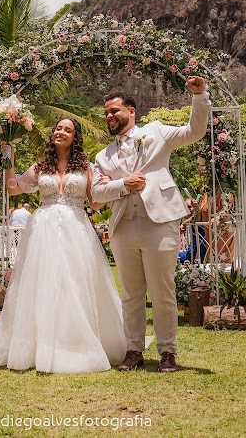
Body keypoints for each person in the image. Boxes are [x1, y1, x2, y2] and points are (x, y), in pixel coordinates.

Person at [0, 118, 126, 373]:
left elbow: (95, 204)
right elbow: (14, 189)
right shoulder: (41, 166)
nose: (61, 132)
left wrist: (105, 184)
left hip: (76, 230)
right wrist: (9, 158)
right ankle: (40, 345)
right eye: (58, 128)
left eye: (67, 130)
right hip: (43, 231)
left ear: (75, 136)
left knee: (75, 283)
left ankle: (74, 341)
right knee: (43, 283)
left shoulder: (87, 167)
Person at [91, 77, 210, 373]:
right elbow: (96, 193)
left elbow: (195, 131)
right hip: (123, 226)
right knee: (131, 293)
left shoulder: (156, 132)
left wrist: (199, 97)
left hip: (159, 221)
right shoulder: (102, 156)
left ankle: (168, 352)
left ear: (132, 111)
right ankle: (133, 350)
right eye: (106, 113)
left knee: (162, 291)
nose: (110, 116)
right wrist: (122, 184)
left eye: (115, 110)